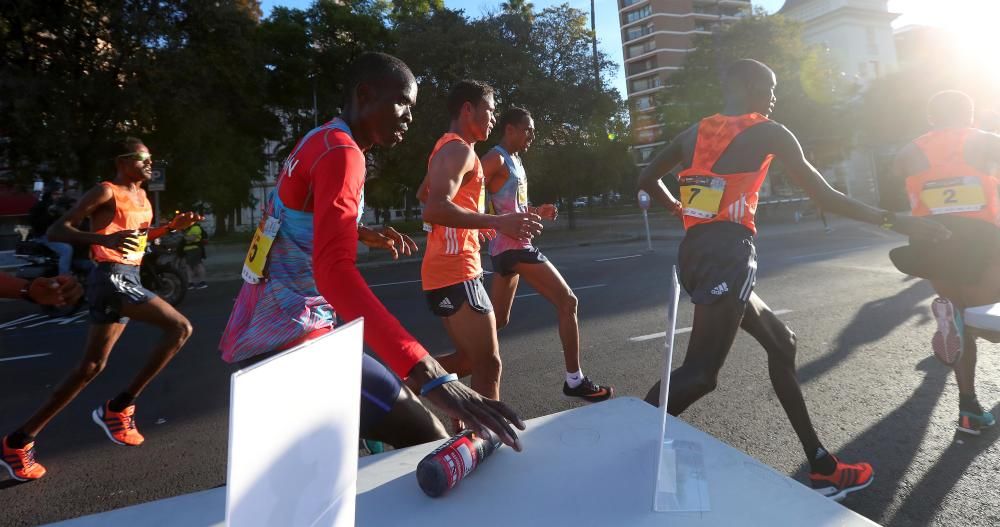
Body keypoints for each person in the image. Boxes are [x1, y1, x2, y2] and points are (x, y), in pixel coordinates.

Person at [637, 59, 950, 501]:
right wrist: (897, 220)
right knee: (701, 374)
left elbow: (645, 177)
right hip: (728, 256)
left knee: (782, 342)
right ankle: (629, 441)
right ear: (746, 86)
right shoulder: (769, 130)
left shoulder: (693, 133)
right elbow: (823, 195)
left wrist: (676, 208)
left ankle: (822, 466)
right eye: (770, 86)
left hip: (696, 250)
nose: (773, 97)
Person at [220, 53, 525, 451]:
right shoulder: (344, 154)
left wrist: (357, 231)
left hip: (265, 330)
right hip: (291, 344)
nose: (409, 118)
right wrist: (428, 373)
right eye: (402, 103)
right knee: (428, 437)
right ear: (365, 95)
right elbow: (334, 273)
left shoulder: (320, 139)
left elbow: (289, 219)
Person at [1, 137, 203, 481]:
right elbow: (58, 229)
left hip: (130, 275)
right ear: (122, 161)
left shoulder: (142, 197)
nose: (149, 163)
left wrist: (170, 228)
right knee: (179, 328)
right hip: (110, 278)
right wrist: (103, 240)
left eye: (151, 158)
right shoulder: (106, 191)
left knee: (91, 367)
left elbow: (136, 238)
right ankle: (120, 408)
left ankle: (18, 442)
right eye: (142, 158)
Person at [420, 80, 543, 402]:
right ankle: (487, 437)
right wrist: (498, 221)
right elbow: (434, 207)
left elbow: (425, 194)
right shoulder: (459, 149)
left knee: (466, 361)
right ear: (467, 109)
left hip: (446, 270)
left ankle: (394, 394)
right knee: (488, 364)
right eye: (489, 110)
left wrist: (473, 227)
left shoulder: (451, 148)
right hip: (456, 269)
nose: (492, 119)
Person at [888, 90, 1000, 435]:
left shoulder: (909, 151)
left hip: (932, 242)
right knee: (991, 318)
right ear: (969, 115)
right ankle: (974, 328)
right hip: (982, 239)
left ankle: (969, 409)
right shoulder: (988, 142)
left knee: (960, 319)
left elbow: (895, 191)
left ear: (931, 118)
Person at [483, 106, 613, 402]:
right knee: (568, 301)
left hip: (509, 249)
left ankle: (445, 373)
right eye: (527, 129)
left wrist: (535, 211)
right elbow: (467, 192)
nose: (532, 135)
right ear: (510, 129)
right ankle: (574, 380)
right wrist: (483, 225)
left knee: (496, 323)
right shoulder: (495, 157)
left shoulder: (515, 161)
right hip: (513, 247)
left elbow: (511, 207)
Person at [28, 183, 75, 276]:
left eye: (59, 194)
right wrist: (49, 214)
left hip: (57, 235)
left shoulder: (61, 204)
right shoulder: (42, 205)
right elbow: (35, 223)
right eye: (55, 194)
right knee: (66, 250)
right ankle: (64, 278)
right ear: (49, 194)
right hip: (44, 236)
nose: (58, 196)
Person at [182, 222, 208, 290]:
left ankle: (202, 282)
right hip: (189, 250)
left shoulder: (196, 228)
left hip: (194, 249)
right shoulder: (189, 229)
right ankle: (191, 283)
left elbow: (191, 239)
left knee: (198, 265)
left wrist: (184, 236)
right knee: (189, 266)